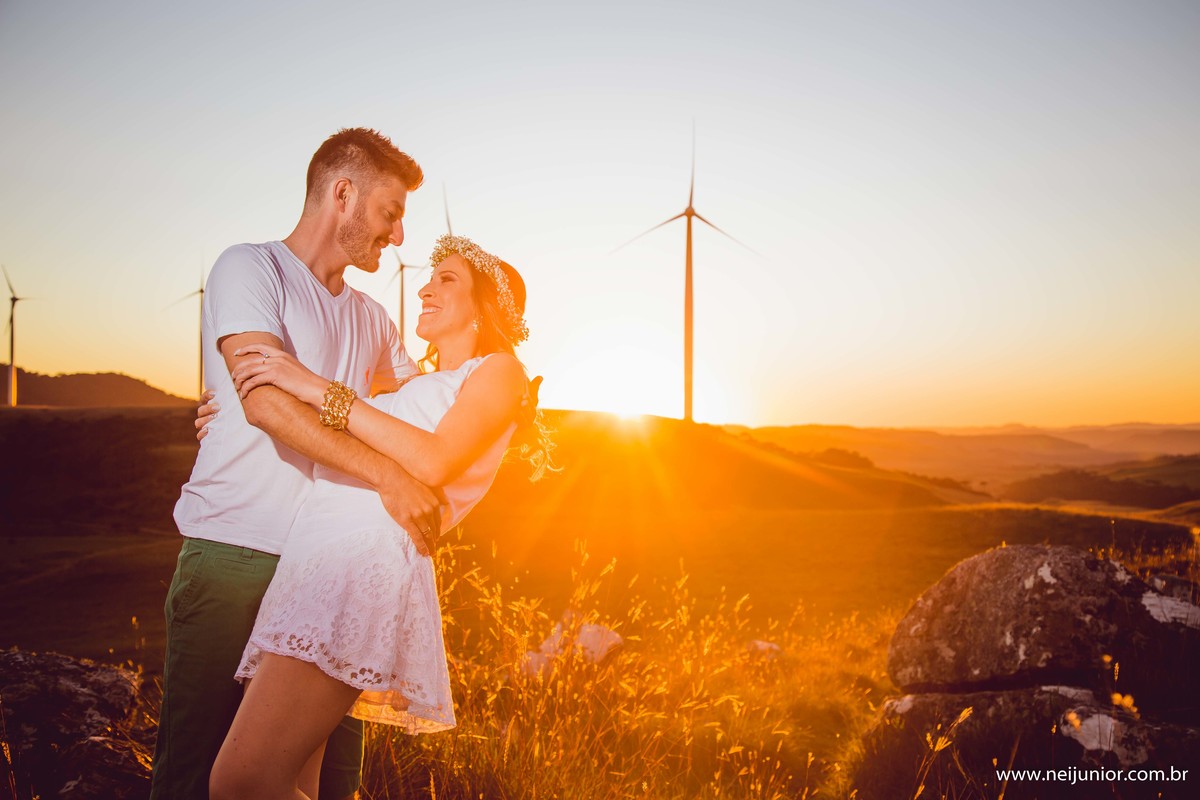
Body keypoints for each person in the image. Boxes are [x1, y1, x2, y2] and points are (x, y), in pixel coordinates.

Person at [152, 128, 441, 800]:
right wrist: (386, 472)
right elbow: (265, 407)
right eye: (390, 212)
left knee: (330, 785)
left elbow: (419, 423)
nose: (398, 236)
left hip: (331, 576)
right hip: (235, 554)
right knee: (196, 778)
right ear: (342, 193)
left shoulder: (376, 320)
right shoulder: (249, 269)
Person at [207, 234, 549, 800]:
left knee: (241, 781)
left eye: (448, 280)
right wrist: (224, 415)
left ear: (486, 306)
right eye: (430, 277)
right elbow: (327, 428)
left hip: (359, 567)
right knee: (290, 782)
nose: (426, 287)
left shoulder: (500, 372)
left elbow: (433, 460)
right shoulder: (416, 385)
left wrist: (312, 385)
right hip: (315, 562)